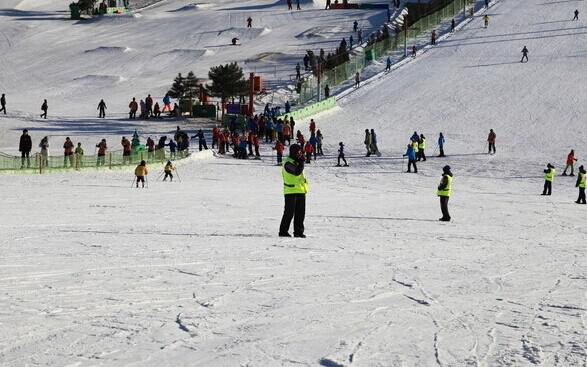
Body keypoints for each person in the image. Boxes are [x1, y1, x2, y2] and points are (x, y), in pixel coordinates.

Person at [279, 144, 308, 238]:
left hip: (300, 190)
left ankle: (298, 232)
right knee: (289, 213)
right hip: (290, 190)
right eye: (298, 152)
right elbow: (296, 172)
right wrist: (302, 162)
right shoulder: (287, 162)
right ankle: (283, 231)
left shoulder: (297, 161)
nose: (300, 154)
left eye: (300, 152)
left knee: (300, 213)